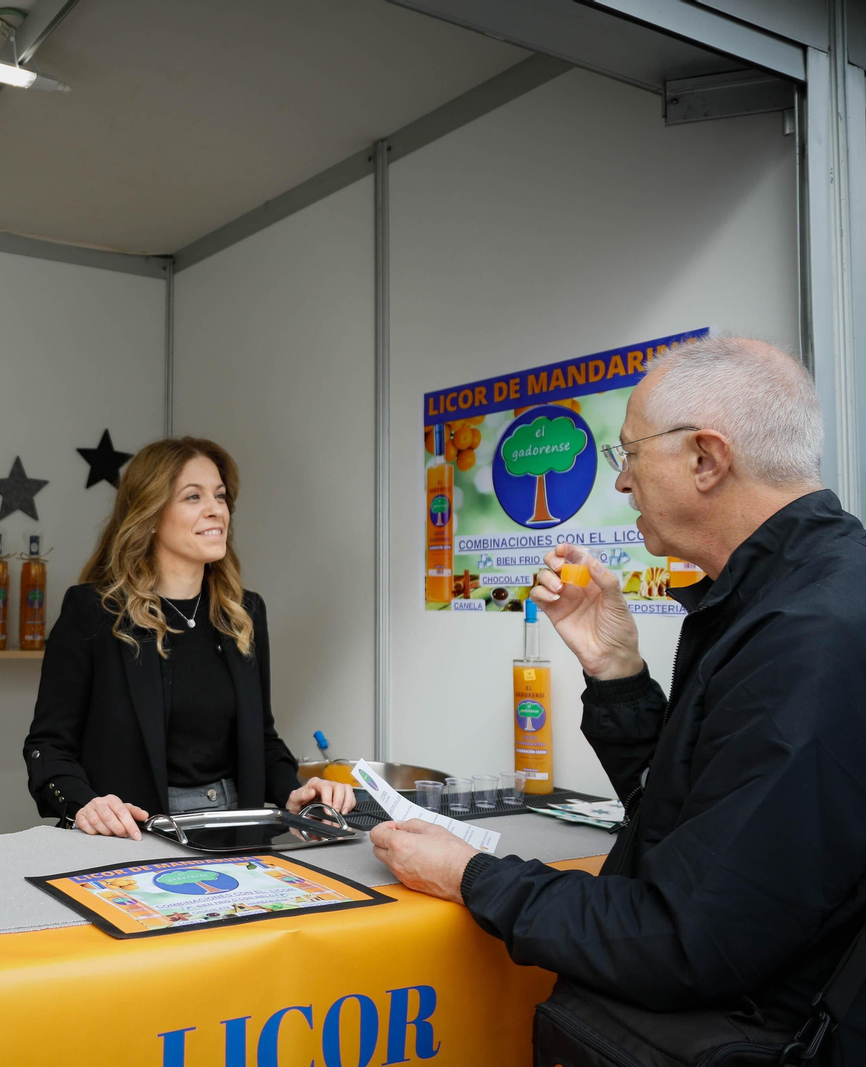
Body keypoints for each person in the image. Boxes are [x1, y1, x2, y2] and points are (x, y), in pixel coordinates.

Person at [369, 337, 866, 1061]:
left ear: (706, 458)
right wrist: (616, 669)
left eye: (628, 455)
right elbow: (683, 817)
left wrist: (468, 874)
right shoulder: (779, 598)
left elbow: (683, 940)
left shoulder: (811, 632)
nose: (623, 483)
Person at [23, 437, 355, 839]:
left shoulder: (245, 612)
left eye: (219, 495)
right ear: (149, 513)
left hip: (236, 833)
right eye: (193, 497)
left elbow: (261, 740)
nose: (216, 509)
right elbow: (48, 747)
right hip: (136, 837)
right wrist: (84, 804)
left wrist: (298, 793)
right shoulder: (92, 611)